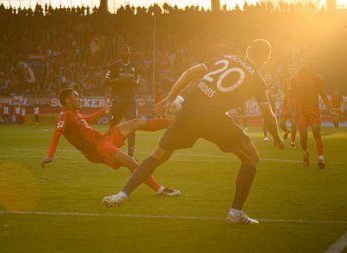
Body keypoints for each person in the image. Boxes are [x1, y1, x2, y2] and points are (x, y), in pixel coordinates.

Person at [102, 39, 285, 224]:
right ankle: (235, 213)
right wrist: (277, 137)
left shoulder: (226, 58)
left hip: (189, 110)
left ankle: (122, 194)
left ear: (247, 50)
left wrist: (170, 97)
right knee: (251, 158)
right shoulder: (258, 80)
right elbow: (268, 116)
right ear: (266, 58)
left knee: (158, 154)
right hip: (214, 117)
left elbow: (190, 73)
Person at [41, 88, 180, 197]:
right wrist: (50, 155)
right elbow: (57, 132)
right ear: (67, 100)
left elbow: (87, 119)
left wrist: (103, 111)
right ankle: (161, 190)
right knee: (131, 162)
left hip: (104, 138)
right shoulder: (63, 115)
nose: (79, 98)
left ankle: (176, 123)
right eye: (76, 96)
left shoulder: (76, 114)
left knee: (136, 122)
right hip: (98, 149)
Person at [290, 58, 334, 168]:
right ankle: (305, 153)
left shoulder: (317, 77)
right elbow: (291, 95)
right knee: (303, 136)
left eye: (305, 62)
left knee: (316, 132)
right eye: (301, 62)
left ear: (310, 65)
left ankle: (321, 158)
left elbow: (323, 94)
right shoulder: (294, 79)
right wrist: (293, 109)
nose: (303, 64)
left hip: (313, 109)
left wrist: (330, 108)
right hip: (300, 111)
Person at [105, 46, 139, 157]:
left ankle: (131, 155)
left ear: (130, 54)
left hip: (130, 101)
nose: (126, 54)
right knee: (113, 125)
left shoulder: (134, 67)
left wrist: (134, 82)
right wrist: (118, 80)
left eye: (127, 52)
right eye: (124, 52)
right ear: (121, 54)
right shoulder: (114, 66)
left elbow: (137, 82)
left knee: (132, 126)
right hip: (117, 100)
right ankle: (106, 148)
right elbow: (106, 80)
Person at [278, 68, 297, 148]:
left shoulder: (298, 81)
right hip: (286, 105)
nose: (292, 72)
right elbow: (283, 92)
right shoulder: (286, 81)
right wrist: (282, 96)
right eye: (291, 70)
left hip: (294, 105)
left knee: (293, 123)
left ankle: (292, 142)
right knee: (281, 123)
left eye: (294, 70)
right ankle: (286, 131)